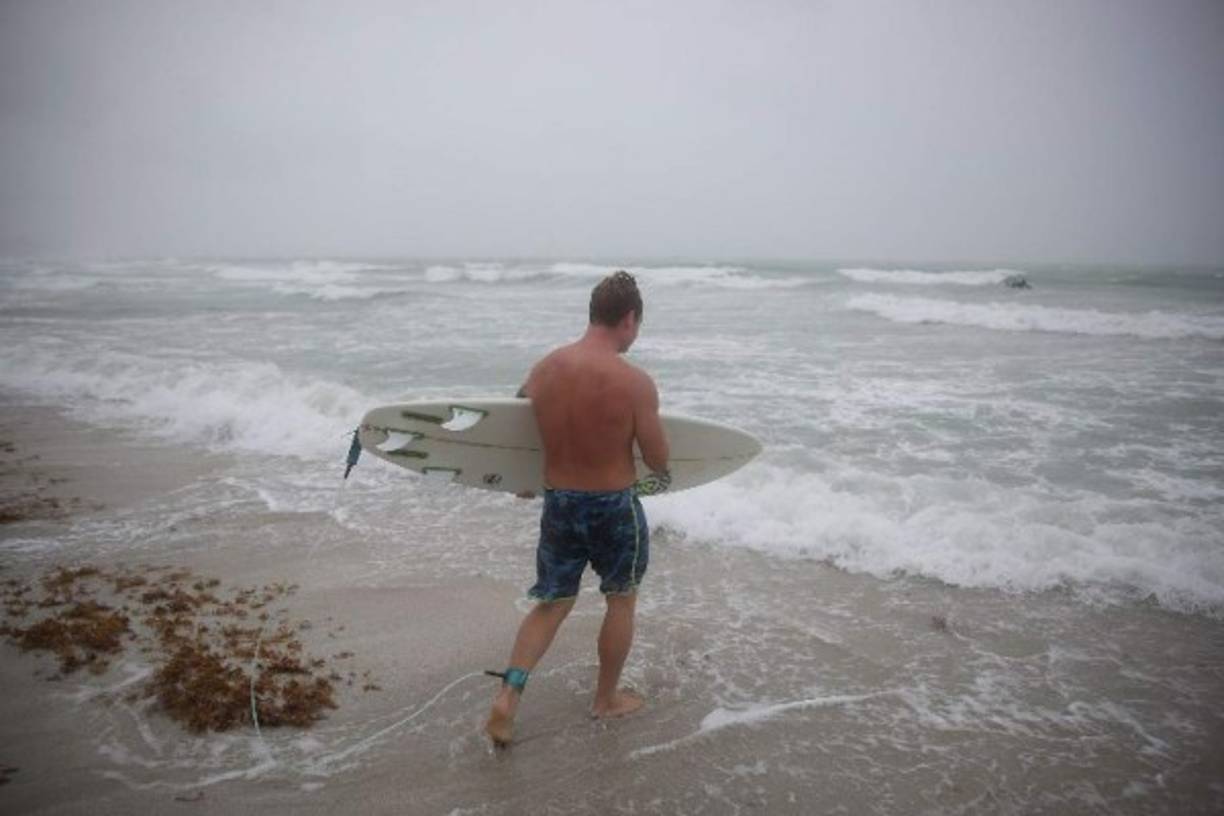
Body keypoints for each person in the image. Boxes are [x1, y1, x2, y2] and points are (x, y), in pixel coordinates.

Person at [484, 270, 669, 747]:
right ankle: (605, 700)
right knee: (621, 598)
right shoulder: (635, 383)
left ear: (593, 314)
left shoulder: (544, 369)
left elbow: (515, 429)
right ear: (629, 319)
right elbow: (657, 460)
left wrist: (523, 482)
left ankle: (508, 695)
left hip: (560, 502)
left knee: (552, 604)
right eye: (637, 325)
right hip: (613, 507)